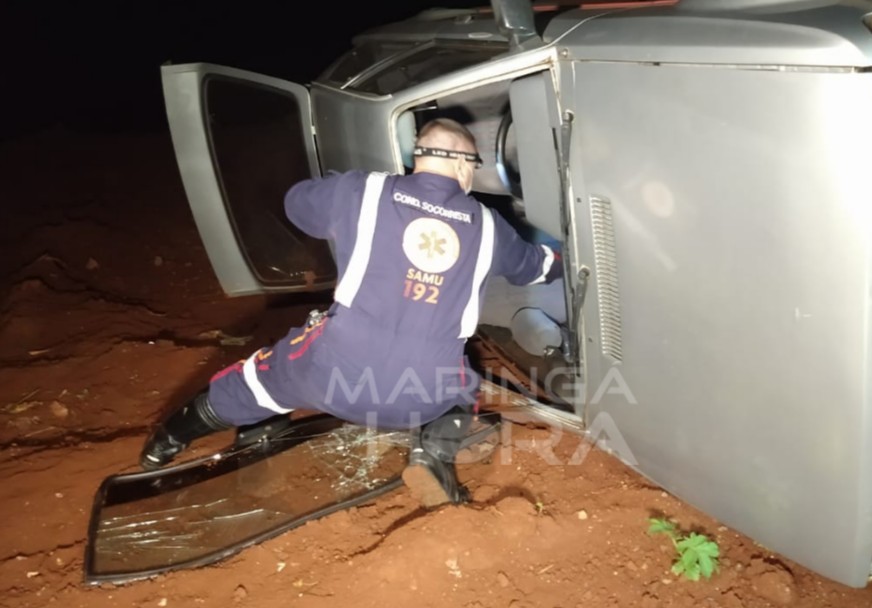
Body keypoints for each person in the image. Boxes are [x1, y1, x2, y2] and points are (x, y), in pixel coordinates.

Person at [139, 117, 562, 506]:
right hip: (423, 395)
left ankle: (167, 442)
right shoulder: (489, 226)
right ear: (466, 167)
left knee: (256, 381)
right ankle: (432, 454)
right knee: (463, 387)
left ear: (418, 157)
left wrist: (345, 193)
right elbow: (537, 268)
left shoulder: (364, 190)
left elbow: (295, 204)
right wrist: (568, 257)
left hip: (330, 377)